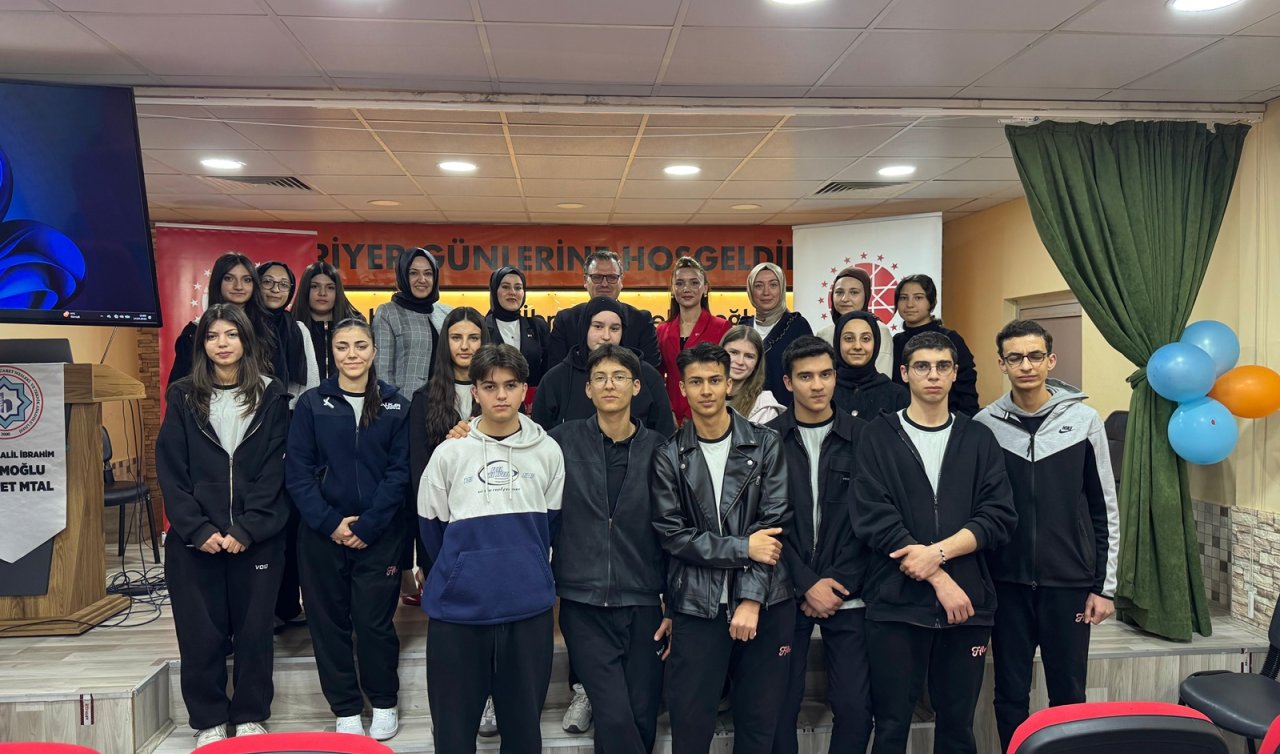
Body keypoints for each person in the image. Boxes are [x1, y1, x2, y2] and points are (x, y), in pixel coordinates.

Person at [854, 331, 1017, 754]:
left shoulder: (978, 438)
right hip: (895, 603)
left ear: (954, 373)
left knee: (958, 729)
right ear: (904, 373)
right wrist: (938, 578)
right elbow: (872, 515)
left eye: (943, 366)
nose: (933, 375)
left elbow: (998, 515)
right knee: (891, 726)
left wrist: (938, 555)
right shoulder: (877, 435)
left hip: (968, 605)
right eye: (922, 366)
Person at [973, 319, 1119, 752]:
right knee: (1009, 693)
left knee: (1069, 694)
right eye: (1015, 357)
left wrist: (1104, 587)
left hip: (1068, 583)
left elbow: (1104, 507)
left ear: (1051, 360)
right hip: (1007, 584)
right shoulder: (984, 425)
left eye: (1035, 356)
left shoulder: (1085, 420)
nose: (1026, 365)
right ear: (1002, 364)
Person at [156, 304, 292, 748]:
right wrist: (197, 529)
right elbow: (171, 470)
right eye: (213, 336)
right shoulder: (182, 395)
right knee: (200, 634)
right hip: (196, 540)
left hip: (256, 538)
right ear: (202, 345)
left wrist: (247, 528)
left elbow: (275, 469)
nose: (222, 343)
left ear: (246, 340)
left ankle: (251, 715)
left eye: (231, 334)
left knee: (255, 632)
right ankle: (209, 719)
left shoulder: (272, 394)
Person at [418, 344, 565, 754]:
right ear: (475, 393)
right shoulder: (449, 453)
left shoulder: (549, 452)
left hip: (527, 612)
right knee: (453, 736)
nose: (501, 395)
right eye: (490, 386)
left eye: (511, 385)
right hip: (458, 615)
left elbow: (551, 527)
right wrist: (464, 572)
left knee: (523, 735)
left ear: (524, 390)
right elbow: (432, 530)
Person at [653, 342, 795, 754]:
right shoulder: (668, 455)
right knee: (690, 727)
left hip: (766, 603)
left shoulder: (766, 443)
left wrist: (750, 599)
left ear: (729, 384)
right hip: (697, 605)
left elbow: (773, 527)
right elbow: (673, 535)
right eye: (696, 382)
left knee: (758, 726)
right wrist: (743, 547)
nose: (706, 390)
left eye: (715, 380)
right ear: (682, 388)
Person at [286, 318, 410, 740]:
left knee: (374, 623)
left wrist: (369, 525)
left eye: (360, 345)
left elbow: (400, 473)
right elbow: (298, 472)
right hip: (322, 534)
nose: (352, 354)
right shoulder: (311, 404)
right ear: (332, 352)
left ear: (374, 351)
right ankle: (345, 709)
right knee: (328, 623)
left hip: (380, 534)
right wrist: (330, 523)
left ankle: (385, 701)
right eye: (343, 346)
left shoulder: (396, 405)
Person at [548, 344, 669, 754]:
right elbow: (510, 442)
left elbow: (675, 530)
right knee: (614, 714)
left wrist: (671, 601)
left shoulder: (660, 449)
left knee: (642, 714)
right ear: (588, 390)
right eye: (599, 378)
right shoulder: (560, 442)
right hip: (583, 600)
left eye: (619, 377)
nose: (609, 385)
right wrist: (468, 428)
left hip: (644, 599)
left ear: (636, 386)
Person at [767, 336, 873, 754]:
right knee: (779, 708)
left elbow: (874, 520)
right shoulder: (767, 440)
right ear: (788, 383)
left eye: (826, 374)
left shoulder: (866, 438)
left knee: (855, 709)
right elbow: (765, 524)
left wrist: (835, 582)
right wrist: (806, 582)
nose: (817, 385)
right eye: (806, 376)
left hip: (849, 592)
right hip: (786, 590)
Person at [406, 307, 487, 596]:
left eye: (473, 338)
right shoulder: (423, 399)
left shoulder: (498, 396)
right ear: (445, 343)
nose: (465, 346)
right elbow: (419, 476)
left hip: (487, 519)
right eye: (456, 337)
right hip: (440, 521)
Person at [254, 260, 311, 632]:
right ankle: (262, 610)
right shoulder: (244, 325)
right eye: (268, 282)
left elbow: (308, 383)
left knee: (289, 521)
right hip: (252, 429)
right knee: (263, 520)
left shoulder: (296, 327)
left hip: (288, 425)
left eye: (283, 284)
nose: (276, 289)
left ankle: (288, 605)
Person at [534, 296, 675, 437]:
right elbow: (539, 439)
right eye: (598, 327)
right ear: (584, 328)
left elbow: (665, 436)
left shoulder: (646, 375)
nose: (606, 336)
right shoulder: (556, 378)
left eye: (614, 328)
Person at [168, 252, 280, 387]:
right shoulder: (194, 332)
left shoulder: (268, 328)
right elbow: (179, 386)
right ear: (217, 282)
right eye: (229, 278)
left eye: (247, 280)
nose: (238, 286)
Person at [547, 250, 661, 370]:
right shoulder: (565, 321)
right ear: (585, 280)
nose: (605, 284)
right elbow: (556, 372)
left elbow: (651, 370)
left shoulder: (641, 321)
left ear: (621, 281)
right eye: (597, 277)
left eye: (612, 277)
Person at [889, 274, 979, 416]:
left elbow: (966, 389)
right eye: (903, 298)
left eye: (918, 298)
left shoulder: (950, 339)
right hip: (903, 420)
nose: (910, 304)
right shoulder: (895, 341)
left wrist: (961, 423)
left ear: (931, 302)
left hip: (947, 420)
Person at [656, 256, 731, 425]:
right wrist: (667, 411)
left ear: (705, 288)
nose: (686, 289)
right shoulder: (661, 330)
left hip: (709, 415)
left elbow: (728, 376)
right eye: (680, 283)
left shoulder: (721, 327)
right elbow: (657, 378)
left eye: (694, 283)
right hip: (670, 419)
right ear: (673, 289)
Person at [373, 247, 453, 397]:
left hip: (445, 402)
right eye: (413, 273)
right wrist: (391, 405)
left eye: (428, 273)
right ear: (403, 276)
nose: (422, 279)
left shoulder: (447, 313)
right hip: (405, 403)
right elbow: (382, 372)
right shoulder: (388, 312)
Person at [738, 262, 811, 409]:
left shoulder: (797, 326)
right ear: (750, 290)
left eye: (773, 285)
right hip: (745, 413)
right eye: (758, 286)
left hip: (788, 414)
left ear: (782, 288)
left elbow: (809, 374)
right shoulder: (743, 328)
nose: (766, 292)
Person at [293, 261, 363, 392]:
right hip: (302, 401)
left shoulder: (356, 326)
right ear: (305, 290)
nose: (322, 293)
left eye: (330, 287)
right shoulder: (292, 327)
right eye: (315, 286)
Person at [813, 266, 893, 377]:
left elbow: (883, 377)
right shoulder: (823, 334)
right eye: (839, 292)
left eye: (854, 292)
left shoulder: (879, 331)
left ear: (866, 295)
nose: (845, 299)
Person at [485, 265, 551, 391]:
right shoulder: (481, 328)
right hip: (493, 397)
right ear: (494, 290)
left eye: (518, 288)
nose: (512, 292)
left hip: (532, 400)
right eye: (505, 287)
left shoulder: (538, 327)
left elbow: (549, 370)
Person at [833, 311, 909, 420]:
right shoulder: (823, 390)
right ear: (837, 343)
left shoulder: (897, 395)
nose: (857, 346)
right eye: (849, 338)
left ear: (876, 343)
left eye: (865, 339)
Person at [721, 326, 785, 424]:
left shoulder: (764, 408)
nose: (740, 362)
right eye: (734, 352)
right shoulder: (704, 393)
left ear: (757, 363)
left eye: (749, 356)